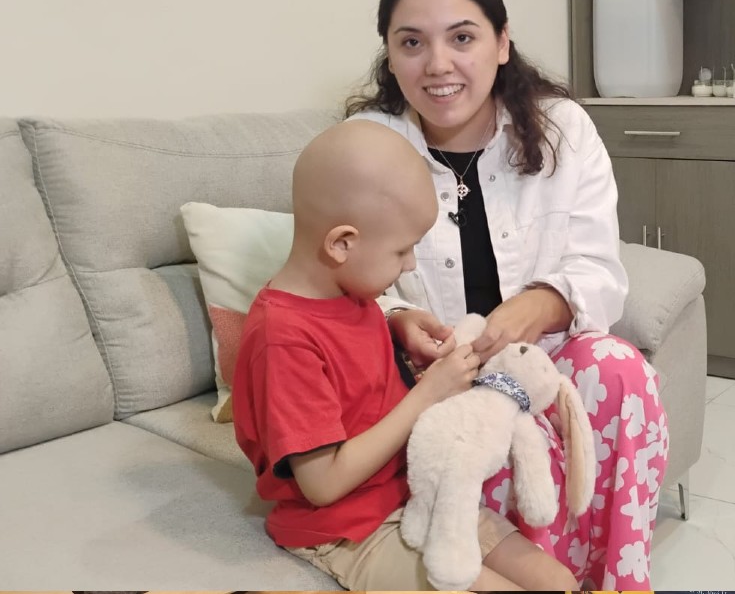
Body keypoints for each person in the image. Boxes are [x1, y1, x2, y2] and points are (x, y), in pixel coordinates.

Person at [345, 0, 669, 589]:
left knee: (621, 371)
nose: (437, 65)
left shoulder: (562, 130)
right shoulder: (369, 145)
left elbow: (599, 265)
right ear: (389, 51)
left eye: (461, 37)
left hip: (544, 359)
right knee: (475, 440)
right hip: (434, 380)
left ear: (501, 41)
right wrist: (399, 317)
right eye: (412, 42)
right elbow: (337, 273)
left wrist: (542, 302)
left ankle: (616, 581)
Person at [231, 119, 578, 591]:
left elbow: (352, 349)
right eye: (402, 250)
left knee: (556, 580)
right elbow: (324, 483)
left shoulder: (348, 292)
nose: (411, 264)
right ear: (342, 244)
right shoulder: (282, 340)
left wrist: (398, 323)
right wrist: (427, 396)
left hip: (419, 497)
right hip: (347, 530)